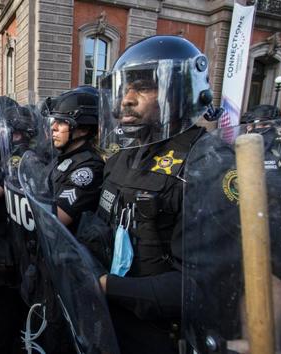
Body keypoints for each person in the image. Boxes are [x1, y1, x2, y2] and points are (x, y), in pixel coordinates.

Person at [93, 35, 214, 353]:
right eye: (124, 88)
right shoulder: (121, 157)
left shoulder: (208, 163)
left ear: (182, 91)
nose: (126, 100)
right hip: (110, 318)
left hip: (161, 334)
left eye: (144, 86)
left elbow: (202, 285)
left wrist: (108, 286)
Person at [48, 87, 104, 232]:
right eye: (54, 121)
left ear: (83, 129)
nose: (53, 127)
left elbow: (55, 218)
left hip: (67, 250)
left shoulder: (89, 168)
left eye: (61, 122)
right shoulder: (64, 156)